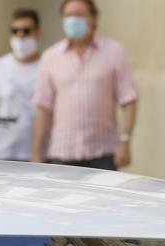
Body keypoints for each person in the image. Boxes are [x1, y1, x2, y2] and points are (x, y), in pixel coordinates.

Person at [30, 0, 137, 170]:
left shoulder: (114, 52)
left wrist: (125, 141)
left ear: (93, 18)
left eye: (79, 15)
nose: (73, 20)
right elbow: (43, 108)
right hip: (62, 153)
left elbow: (129, 99)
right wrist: (36, 154)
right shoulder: (51, 56)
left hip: (103, 154)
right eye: (68, 15)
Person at [0, 8, 43, 162]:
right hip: (3, 153)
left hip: (39, 154)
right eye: (15, 31)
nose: (20, 35)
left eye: (26, 30)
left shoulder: (48, 65)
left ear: (37, 32)